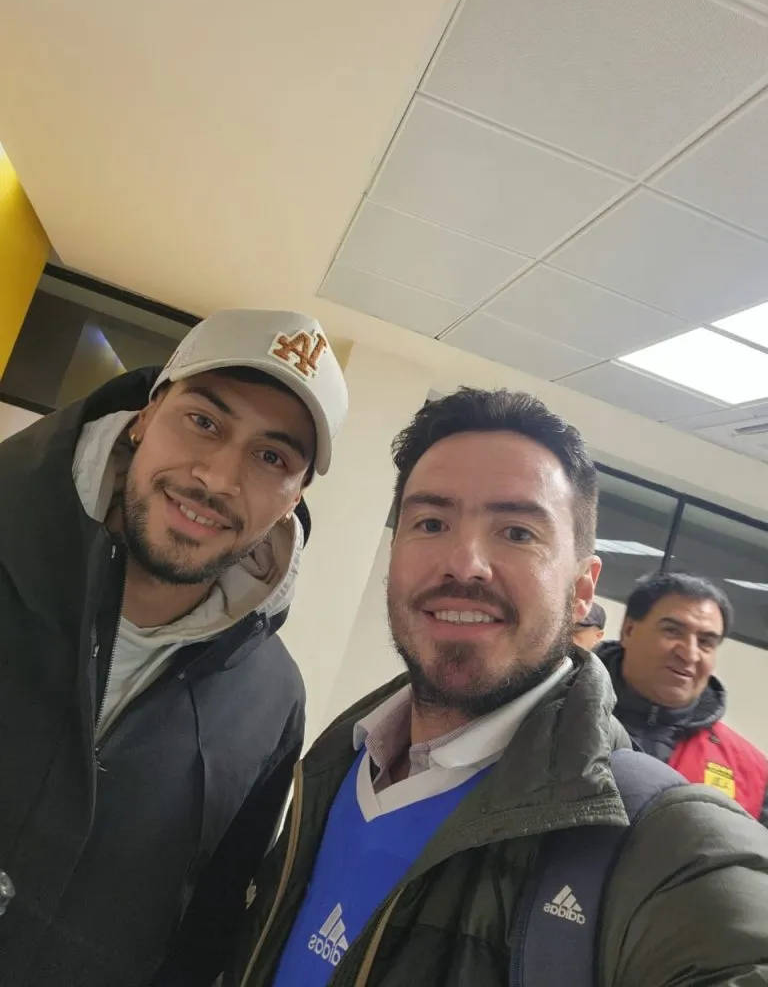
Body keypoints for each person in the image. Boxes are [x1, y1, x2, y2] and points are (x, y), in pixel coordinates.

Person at [225, 388, 768, 987]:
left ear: (583, 589)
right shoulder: (334, 761)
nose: (465, 563)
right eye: (431, 522)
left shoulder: (668, 844)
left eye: (516, 532)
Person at [0, 308, 348, 987]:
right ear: (147, 414)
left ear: (295, 496)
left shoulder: (272, 702)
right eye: (205, 422)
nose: (218, 478)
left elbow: (206, 928)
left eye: (272, 457)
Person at [596, 572, 768, 826]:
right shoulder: (553, 709)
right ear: (629, 630)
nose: (689, 654)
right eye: (672, 631)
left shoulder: (753, 773)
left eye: (706, 642)